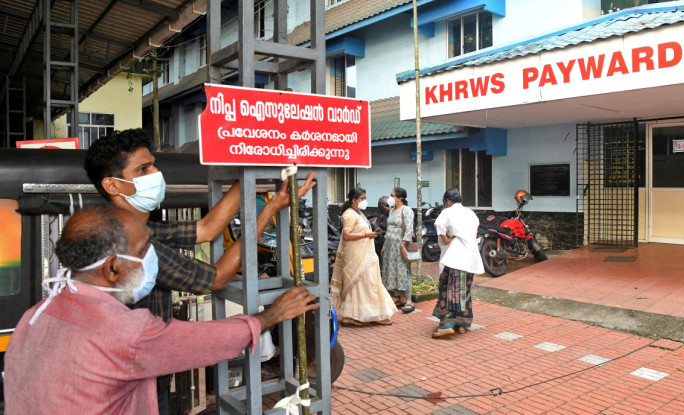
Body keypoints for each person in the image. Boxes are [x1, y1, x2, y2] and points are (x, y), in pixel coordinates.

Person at [83, 128, 315, 413]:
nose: (156, 173)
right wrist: (269, 210)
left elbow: (207, 229)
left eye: (153, 164)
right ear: (113, 185)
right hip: (132, 381)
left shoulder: (141, 227)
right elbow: (217, 278)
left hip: (142, 370)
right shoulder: (129, 244)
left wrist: (248, 169)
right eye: (143, 168)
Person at [3, 206, 318, 414]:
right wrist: (272, 315)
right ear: (112, 268)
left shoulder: (36, 314)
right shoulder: (125, 332)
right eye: (143, 252)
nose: (151, 258)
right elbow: (209, 340)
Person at [330, 187, 397, 326]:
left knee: (370, 283)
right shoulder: (349, 215)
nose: (364, 201)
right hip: (356, 256)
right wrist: (367, 235)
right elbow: (347, 235)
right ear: (354, 200)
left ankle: (375, 315)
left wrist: (371, 233)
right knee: (359, 284)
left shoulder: (358, 213)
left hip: (366, 254)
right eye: (362, 198)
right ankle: (350, 316)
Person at [431, 189, 484, 339]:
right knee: (464, 289)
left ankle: (447, 325)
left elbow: (439, 224)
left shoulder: (447, 212)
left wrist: (447, 240)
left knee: (448, 288)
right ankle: (462, 324)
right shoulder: (471, 213)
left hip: (455, 256)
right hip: (470, 257)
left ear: (448, 201)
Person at [381, 187, 416, 313]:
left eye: (392, 195)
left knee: (403, 271)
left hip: (400, 245)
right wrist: (385, 245)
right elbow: (389, 228)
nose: (390, 197)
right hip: (390, 246)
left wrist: (404, 243)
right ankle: (401, 299)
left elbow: (409, 229)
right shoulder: (392, 211)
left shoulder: (406, 210)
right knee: (393, 271)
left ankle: (409, 301)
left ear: (400, 198)